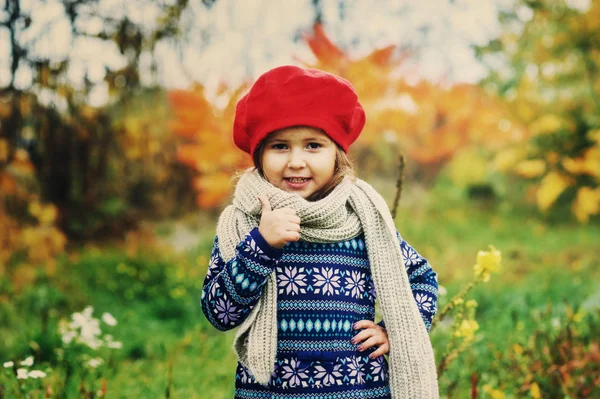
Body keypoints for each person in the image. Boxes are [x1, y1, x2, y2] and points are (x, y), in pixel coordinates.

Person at [201, 65, 440, 398]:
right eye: (280, 146)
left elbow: (422, 278)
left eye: (313, 146)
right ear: (259, 156)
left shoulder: (362, 219)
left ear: (337, 154)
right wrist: (261, 247)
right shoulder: (244, 224)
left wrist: (391, 331)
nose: (296, 161)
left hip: (357, 391)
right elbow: (219, 312)